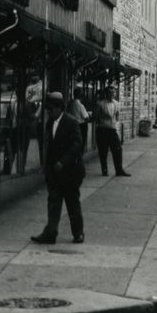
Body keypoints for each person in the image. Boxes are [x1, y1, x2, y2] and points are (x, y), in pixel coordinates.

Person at [31, 91, 87, 245]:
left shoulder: (71, 122)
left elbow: (77, 145)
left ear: (59, 108)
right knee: (54, 203)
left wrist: (63, 162)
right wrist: (48, 168)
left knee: (72, 203)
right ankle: (50, 233)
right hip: (55, 173)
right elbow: (49, 147)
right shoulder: (50, 123)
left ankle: (78, 233)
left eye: (51, 109)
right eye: (48, 109)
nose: (49, 112)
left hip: (70, 172)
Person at [94, 87, 129, 177]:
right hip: (102, 130)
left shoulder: (117, 104)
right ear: (106, 94)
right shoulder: (100, 104)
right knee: (103, 151)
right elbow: (96, 117)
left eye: (113, 92)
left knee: (118, 149)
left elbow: (117, 117)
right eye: (110, 92)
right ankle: (104, 170)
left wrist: (115, 126)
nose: (112, 94)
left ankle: (119, 170)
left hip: (112, 130)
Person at [68, 87, 90, 152]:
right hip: (81, 126)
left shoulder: (70, 103)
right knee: (81, 144)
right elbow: (86, 117)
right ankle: (79, 160)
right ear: (81, 96)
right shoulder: (80, 105)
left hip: (71, 125)